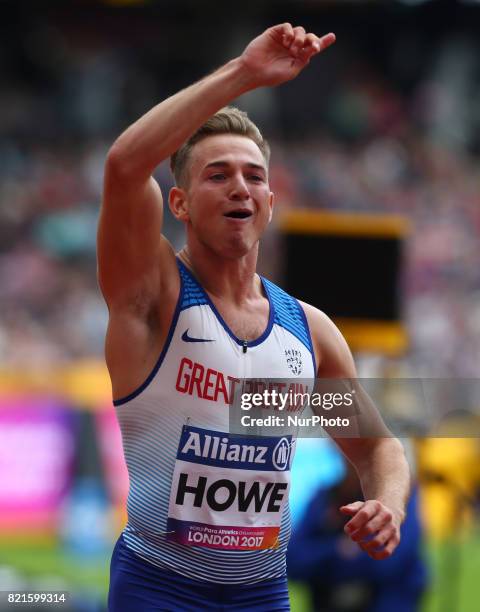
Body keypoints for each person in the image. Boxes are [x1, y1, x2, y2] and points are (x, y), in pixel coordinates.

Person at [97, 23, 411, 611]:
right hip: (158, 587)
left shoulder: (306, 333)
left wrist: (388, 504)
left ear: (269, 203)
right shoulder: (154, 296)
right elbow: (124, 166)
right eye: (217, 175)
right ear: (180, 204)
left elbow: (376, 449)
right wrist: (243, 75)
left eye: (254, 176)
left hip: (262, 595)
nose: (239, 186)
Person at [287, 454, 427, 612]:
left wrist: (329, 562)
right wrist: (338, 550)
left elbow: (390, 562)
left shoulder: (400, 499)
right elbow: (293, 560)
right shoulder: (325, 497)